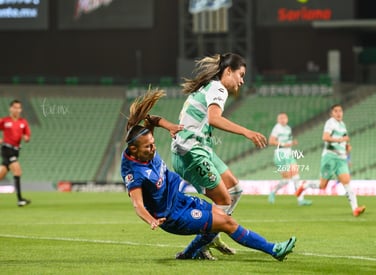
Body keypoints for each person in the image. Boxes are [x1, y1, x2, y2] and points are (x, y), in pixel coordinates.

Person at [121, 89, 296, 261]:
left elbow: (152, 120)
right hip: (172, 216)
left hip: (181, 200)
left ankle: (190, 253)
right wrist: (151, 220)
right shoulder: (133, 172)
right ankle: (273, 249)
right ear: (134, 150)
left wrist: (169, 126)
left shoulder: (142, 141)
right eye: (148, 147)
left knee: (222, 216)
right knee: (227, 224)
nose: (153, 148)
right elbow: (138, 204)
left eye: (153, 143)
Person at [171, 53, 267, 257]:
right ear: (228, 71)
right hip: (190, 151)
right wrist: (247, 132)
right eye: (240, 74)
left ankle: (209, 238)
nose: (242, 80)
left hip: (200, 148)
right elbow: (214, 119)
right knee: (224, 200)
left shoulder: (208, 87)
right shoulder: (218, 88)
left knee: (235, 189)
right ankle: (198, 247)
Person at [296, 104, 366, 217]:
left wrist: (347, 148)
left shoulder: (343, 125)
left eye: (340, 111)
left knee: (347, 182)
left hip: (341, 158)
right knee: (322, 185)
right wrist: (340, 140)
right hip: (330, 157)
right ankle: (305, 185)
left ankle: (355, 209)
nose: (338, 113)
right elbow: (325, 137)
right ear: (332, 113)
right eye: (336, 111)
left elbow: (345, 141)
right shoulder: (330, 123)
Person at [268, 112, 316, 206]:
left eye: (284, 118)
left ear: (287, 119)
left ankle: (300, 200)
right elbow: (271, 141)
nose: (283, 119)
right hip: (280, 154)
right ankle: (273, 192)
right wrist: (284, 144)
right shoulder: (277, 128)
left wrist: (291, 143)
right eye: (281, 118)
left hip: (289, 154)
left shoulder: (288, 128)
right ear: (278, 120)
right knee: (286, 179)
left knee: (296, 176)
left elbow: (288, 142)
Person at [0, 99, 31, 206]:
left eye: (19, 108)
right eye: (15, 107)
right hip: (7, 149)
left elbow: (27, 136)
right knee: (17, 172)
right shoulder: (5, 121)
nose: (17, 110)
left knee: (1, 174)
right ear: (11, 108)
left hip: (16, 150)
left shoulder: (23, 122)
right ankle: (20, 199)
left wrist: (26, 138)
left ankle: (20, 199)